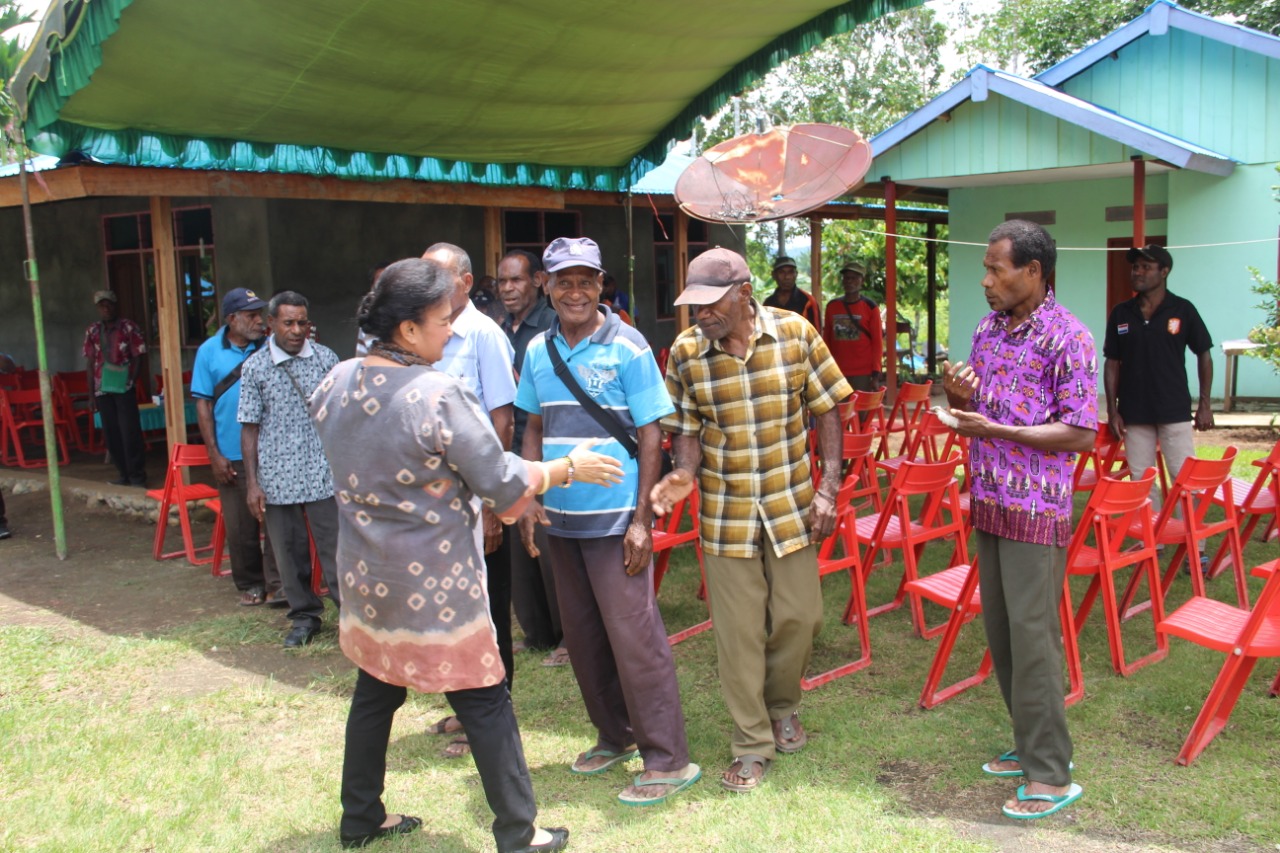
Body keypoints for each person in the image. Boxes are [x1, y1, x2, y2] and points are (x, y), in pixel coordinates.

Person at [311, 259, 611, 852]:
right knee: (486, 699)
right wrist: (566, 467)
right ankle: (520, 835)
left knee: (375, 692)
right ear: (407, 330)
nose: (452, 332)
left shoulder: (334, 381)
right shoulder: (435, 394)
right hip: (438, 585)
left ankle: (360, 820)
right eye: (443, 321)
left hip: (368, 579)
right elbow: (501, 481)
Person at [651, 247, 849, 794]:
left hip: (791, 503)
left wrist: (828, 488)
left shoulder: (796, 333)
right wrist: (683, 473)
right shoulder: (688, 352)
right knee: (738, 635)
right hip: (726, 511)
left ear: (743, 293)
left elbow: (830, 407)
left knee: (801, 617)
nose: (700, 316)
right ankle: (752, 743)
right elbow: (685, 432)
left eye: (710, 304)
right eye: (693, 306)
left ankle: (783, 705)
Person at [516, 236, 700, 806]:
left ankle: (668, 759)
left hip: (618, 519)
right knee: (583, 635)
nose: (575, 291)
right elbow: (532, 427)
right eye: (564, 280)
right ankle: (613, 736)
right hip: (561, 520)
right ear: (547, 286)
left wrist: (642, 519)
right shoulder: (537, 351)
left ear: (601, 285)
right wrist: (528, 497)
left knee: (635, 637)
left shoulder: (629, 345)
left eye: (586, 281)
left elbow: (652, 435)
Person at [941, 220, 1095, 820]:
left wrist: (998, 429)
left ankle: (1052, 773)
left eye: (996, 269)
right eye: (985, 268)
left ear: (1033, 271)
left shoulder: (1068, 338)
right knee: (1003, 632)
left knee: (1034, 637)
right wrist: (960, 397)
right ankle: (1029, 743)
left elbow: (1080, 431)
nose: (986, 281)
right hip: (989, 498)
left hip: (1037, 507)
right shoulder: (988, 330)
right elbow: (979, 411)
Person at [420, 242, 519, 759]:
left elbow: (502, 421)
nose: (430, 286)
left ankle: (496, 708)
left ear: (465, 281)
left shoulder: (484, 335)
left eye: (439, 277)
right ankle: (466, 707)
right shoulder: (426, 333)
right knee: (455, 607)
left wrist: (491, 502)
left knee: (489, 608)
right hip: (441, 502)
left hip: (478, 498)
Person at [238, 291, 341, 649]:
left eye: (302, 323)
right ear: (271, 325)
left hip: (323, 472)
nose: (297, 330)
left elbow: (342, 416)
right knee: (288, 551)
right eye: (289, 323)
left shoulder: (326, 360)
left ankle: (353, 617)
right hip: (277, 476)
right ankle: (304, 617)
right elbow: (249, 427)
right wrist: (252, 483)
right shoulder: (255, 367)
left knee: (337, 550)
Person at [1104, 244, 1214, 568]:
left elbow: (1204, 353)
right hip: (1134, 413)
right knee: (1141, 480)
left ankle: (1197, 547)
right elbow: (1112, 362)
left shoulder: (1183, 309)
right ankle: (1149, 541)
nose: (1137, 272)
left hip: (1174, 410)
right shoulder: (1122, 313)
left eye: (1145, 267)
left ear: (1163, 271)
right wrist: (1112, 410)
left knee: (1185, 479)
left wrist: (1205, 404)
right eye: (1135, 267)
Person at [497, 249, 569, 667]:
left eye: (517, 280)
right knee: (520, 551)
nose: (509, 289)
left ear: (538, 281)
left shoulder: (549, 326)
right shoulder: (502, 329)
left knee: (550, 548)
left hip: (543, 448)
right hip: (511, 450)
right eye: (503, 282)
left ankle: (568, 637)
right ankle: (537, 631)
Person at [192, 287, 284, 608]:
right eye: (251, 315)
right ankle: (251, 583)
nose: (259, 321)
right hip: (231, 451)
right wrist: (213, 454)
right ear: (232, 319)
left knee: (276, 519)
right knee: (241, 523)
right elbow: (202, 405)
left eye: (260, 314)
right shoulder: (208, 352)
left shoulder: (271, 347)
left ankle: (277, 583)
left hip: (271, 449)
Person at [82, 290, 147, 486]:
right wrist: (91, 394)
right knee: (111, 434)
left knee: (130, 432)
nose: (106, 308)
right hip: (102, 388)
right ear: (97, 308)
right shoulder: (93, 331)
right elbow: (90, 362)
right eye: (101, 305)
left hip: (123, 387)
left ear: (115, 305)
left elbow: (139, 356)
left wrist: (131, 381)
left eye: (108, 304)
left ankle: (137, 475)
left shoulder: (128, 327)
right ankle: (123, 474)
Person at [823, 260, 884, 391]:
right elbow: (826, 341)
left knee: (862, 410)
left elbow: (877, 342)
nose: (849, 281)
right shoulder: (832, 307)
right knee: (841, 410)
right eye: (846, 278)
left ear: (862, 281)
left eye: (854, 278)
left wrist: (875, 373)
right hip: (837, 371)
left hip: (863, 372)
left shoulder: (870, 307)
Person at [762, 255, 820, 328]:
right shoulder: (768, 303)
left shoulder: (808, 302)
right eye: (782, 272)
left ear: (796, 274)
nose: (787, 277)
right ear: (774, 275)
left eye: (791, 272)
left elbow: (816, 334)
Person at [354, 261, 395, 357]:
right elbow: (361, 359)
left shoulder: (408, 317)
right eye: (379, 282)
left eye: (389, 282)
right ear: (372, 287)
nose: (385, 288)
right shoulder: (367, 320)